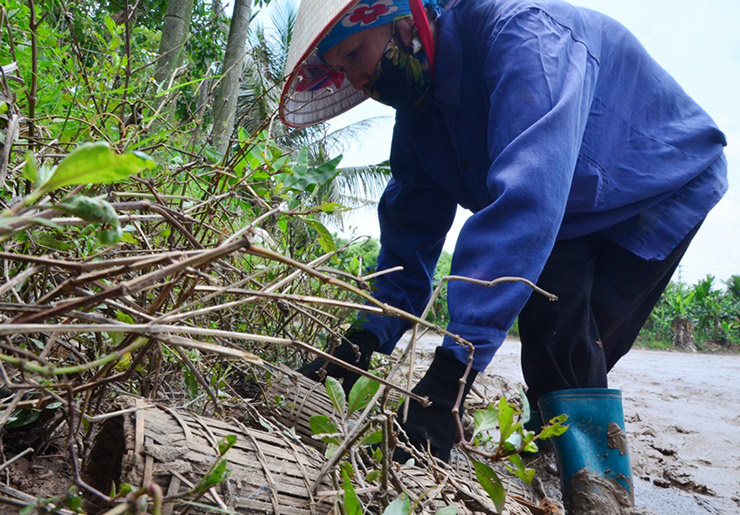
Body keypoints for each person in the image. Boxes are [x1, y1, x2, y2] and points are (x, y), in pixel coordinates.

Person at [279, 0, 728, 511]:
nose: (357, 79)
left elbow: (526, 201)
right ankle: (549, 452)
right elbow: (408, 238)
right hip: (572, 204)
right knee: (562, 340)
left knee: (562, 330)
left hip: (656, 177)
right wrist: (361, 341)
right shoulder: (419, 122)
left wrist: (451, 374)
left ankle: (600, 496)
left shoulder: (524, 37)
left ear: (405, 19)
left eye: (356, 53)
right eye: (341, 70)